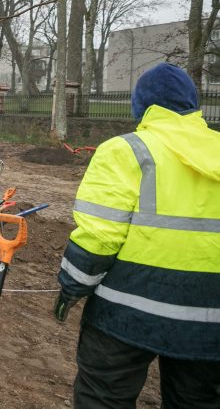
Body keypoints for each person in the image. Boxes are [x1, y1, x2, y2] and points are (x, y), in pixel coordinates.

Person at [54, 63, 220, 407]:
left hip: (125, 314)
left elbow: (99, 237)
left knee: (104, 397)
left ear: (141, 106)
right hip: (209, 319)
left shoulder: (126, 150)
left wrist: (71, 287)